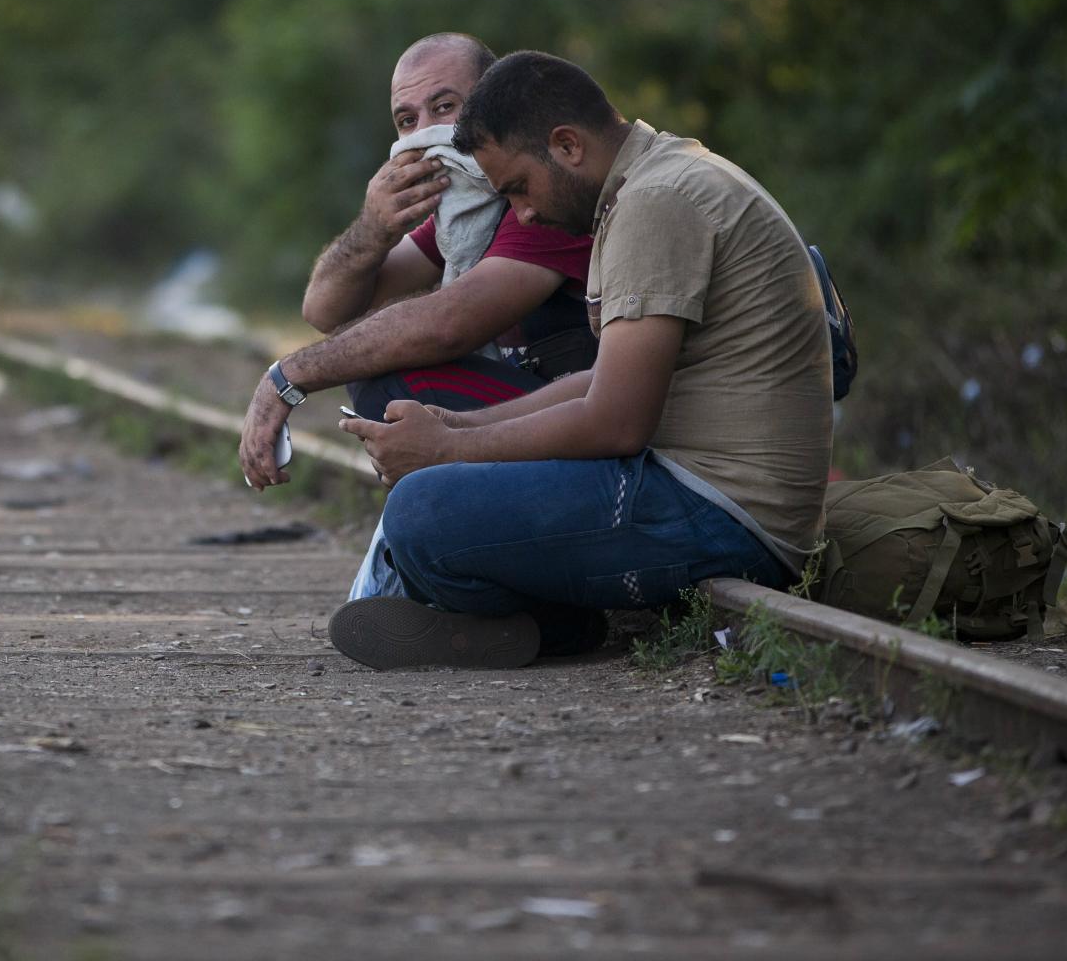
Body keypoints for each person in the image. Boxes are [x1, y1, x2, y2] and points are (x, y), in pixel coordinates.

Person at [329, 50, 832, 670]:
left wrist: (446, 451)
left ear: (566, 145)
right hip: (704, 490)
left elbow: (616, 422)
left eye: (517, 188)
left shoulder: (657, 203)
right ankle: (538, 619)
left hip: (725, 515)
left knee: (423, 511)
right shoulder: (656, 179)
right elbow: (603, 379)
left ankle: (555, 626)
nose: (523, 214)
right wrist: (457, 425)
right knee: (436, 490)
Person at [239, 33, 597, 497]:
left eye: (445, 108)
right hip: (552, 413)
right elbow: (327, 310)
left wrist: (286, 378)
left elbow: (451, 323)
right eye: (408, 121)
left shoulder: (542, 199)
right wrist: (373, 228)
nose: (426, 135)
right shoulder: (465, 217)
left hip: (597, 421)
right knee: (375, 367)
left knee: (396, 384)